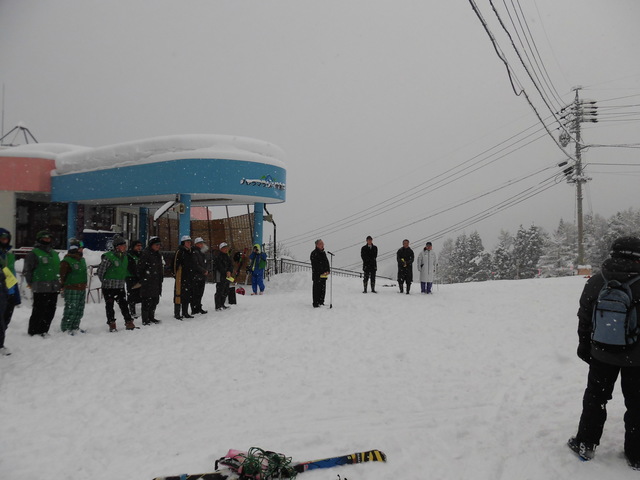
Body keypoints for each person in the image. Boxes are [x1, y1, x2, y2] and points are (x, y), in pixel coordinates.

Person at [568, 236, 640, 468]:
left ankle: (585, 444)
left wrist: (584, 346)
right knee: (637, 404)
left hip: (601, 353)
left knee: (596, 398)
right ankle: (637, 454)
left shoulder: (597, 281)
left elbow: (584, 318)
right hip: (637, 357)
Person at [23, 230, 61, 336]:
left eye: (49, 238)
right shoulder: (34, 254)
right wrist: (30, 282)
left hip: (53, 287)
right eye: (44, 238)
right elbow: (27, 270)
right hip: (40, 287)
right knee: (39, 310)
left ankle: (44, 330)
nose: (47, 240)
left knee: (50, 310)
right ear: (39, 239)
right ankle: (34, 331)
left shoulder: (54, 253)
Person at [97, 235, 137, 332]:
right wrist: (105, 281)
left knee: (123, 304)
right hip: (109, 286)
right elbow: (100, 271)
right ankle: (112, 323)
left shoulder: (125, 257)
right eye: (123, 245)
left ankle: (128, 322)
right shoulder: (109, 257)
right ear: (117, 247)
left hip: (120, 285)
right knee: (110, 306)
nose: (125, 247)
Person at [59, 239, 88, 334]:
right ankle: (66, 328)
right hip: (72, 288)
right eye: (80, 248)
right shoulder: (67, 261)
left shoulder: (82, 260)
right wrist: (62, 286)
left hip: (81, 288)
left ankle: (75, 326)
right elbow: (62, 275)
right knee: (71, 309)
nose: (82, 250)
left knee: (79, 309)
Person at [0, 228, 20, 354]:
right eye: (2, 238)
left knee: (6, 320)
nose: (4, 241)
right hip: (1, 290)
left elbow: (12, 273)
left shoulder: (9, 255)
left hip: (10, 290)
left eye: (6, 238)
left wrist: (15, 293)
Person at [137, 236, 164, 326]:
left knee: (155, 300)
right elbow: (140, 268)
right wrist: (144, 278)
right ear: (151, 245)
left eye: (159, 245)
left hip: (156, 281)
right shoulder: (145, 254)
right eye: (156, 245)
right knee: (146, 301)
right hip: (148, 281)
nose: (158, 246)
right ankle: (145, 319)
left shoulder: (158, 254)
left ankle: (151, 316)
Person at [173, 235, 199, 319]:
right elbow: (174, 264)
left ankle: (185, 312)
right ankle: (177, 313)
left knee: (187, 295)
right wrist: (175, 274)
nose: (189, 243)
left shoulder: (190, 251)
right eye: (187, 242)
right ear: (183, 243)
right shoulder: (180, 251)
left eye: (190, 242)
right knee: (178, 294)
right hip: (181, 276)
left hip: (189, 276)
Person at [213, 242, 233, 311]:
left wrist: (229, 271)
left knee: (225, 290)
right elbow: (219, 267)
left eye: (226, 248)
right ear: (221, 249)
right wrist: (226, 272)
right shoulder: (218, 257)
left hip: (227, 276)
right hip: (220, 276)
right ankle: (217, 306)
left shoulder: (227, 256)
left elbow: (231, 265)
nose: (225, 249)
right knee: (219, 290)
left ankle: (222, 304)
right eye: (224, 248)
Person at [191, 237, 209, 314]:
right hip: (196, 276)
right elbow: (195, 264)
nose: (201, 245)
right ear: (196, 244)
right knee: (195, 293)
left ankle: (198, 307)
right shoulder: (194, 252)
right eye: (199, 243)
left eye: (202, 243)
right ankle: (194, 309)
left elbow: (203, 263)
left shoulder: (201, 253)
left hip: (201, 276)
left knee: (200, 293)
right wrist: (203, 270)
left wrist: (206, 270)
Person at [126, 239, 143, 318]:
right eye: (137, 246)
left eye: (140, 246)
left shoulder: (141, 255)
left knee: (140, 294)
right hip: (131, 277)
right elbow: (131, 268)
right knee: (132, 294)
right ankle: (132, 312)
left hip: (140, 277)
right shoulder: (129, 255)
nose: (139, 248)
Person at [310, 239, 330, 308]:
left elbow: (326, 262)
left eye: (323, 244)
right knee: (316, 289)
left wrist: (328, 270)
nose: (323, 245)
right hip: (317, 275)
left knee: (323, 288)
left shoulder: (323, 253)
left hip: (324, 274)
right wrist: (322, 271)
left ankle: (321, 301)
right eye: (321, 244)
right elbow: (315, 265)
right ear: (317, 245)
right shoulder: (314, 253)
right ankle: (316, 303)